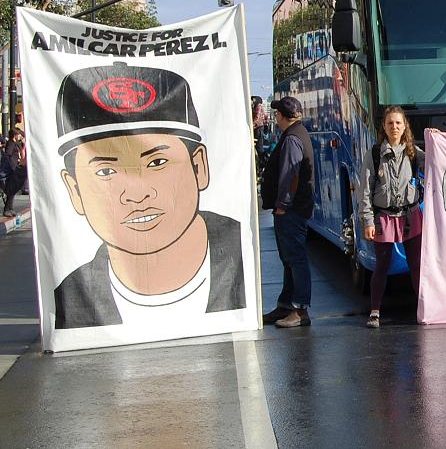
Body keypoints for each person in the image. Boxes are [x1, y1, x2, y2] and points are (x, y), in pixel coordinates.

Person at [51, 62, 245, 329]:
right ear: (74, 190)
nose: (136, 193)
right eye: (106, 171)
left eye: (157, 162)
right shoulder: (69, 301)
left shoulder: (245, 257)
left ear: (199, 166)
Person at [358, 106, 426, 328]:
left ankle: (422, 309)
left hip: (411, 216)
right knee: (382, 266)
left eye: (398, 123)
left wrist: (436, 139)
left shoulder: (414, 153)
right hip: (384, 218)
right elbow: (365, 190)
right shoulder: (374, 154)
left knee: (416, 265)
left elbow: (437, 160)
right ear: (384, 127)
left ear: (405, 126)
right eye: (390, 123)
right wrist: (368, 221)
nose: (394, 127)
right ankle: (374, 312)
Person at [260, 96, 315, 328]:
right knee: (290, 258)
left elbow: (290, 174)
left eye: (277, 114)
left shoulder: (292, 138)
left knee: (295, 257)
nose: (276, 117)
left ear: (282, 116)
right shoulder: (297, 133)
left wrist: (283, 204)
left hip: (291, 209)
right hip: (295, 207)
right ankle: (286, 305)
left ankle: (300, 309)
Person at [3, 128, 27, 217]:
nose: (19, 136)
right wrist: (11, 164)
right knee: (11, 189)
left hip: (14, 166)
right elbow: (8, 154)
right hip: (11, 168)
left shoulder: (15, 143)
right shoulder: (11, 143)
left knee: (13, 189)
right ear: (15, 135)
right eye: (18, 135)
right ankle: (7, 209)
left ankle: (10, 208)